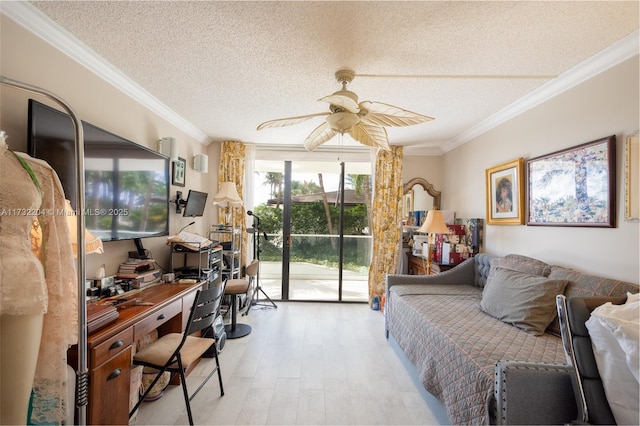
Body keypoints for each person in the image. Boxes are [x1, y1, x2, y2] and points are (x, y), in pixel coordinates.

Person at [0, 132, 77, 424]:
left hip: (23, 290)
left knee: (12, 411)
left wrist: (61, 300)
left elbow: (56, 246)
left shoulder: (35, 170)